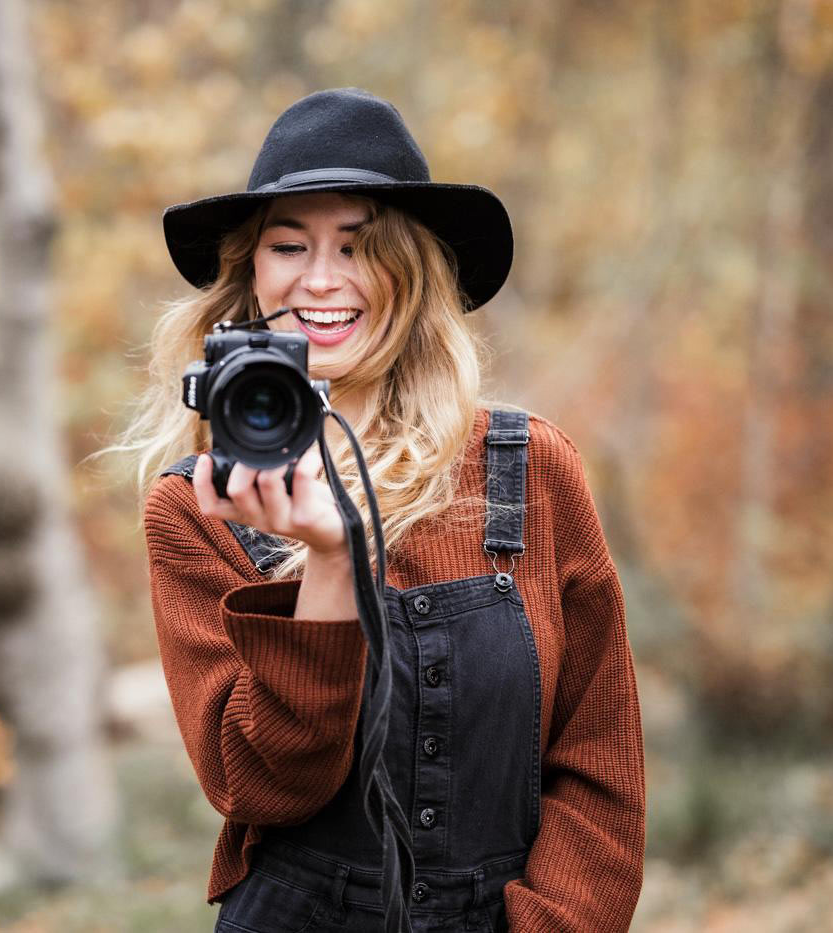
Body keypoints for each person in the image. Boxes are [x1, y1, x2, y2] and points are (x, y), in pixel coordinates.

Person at [123, 88, 644, 932]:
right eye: (288, 246)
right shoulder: (198, 508)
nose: (320, 278)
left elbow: (599, 762)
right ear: (252, 275)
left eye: (359, 248)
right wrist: (330, 565)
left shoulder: (530, 471)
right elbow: (260, 785)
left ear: (413, 270)